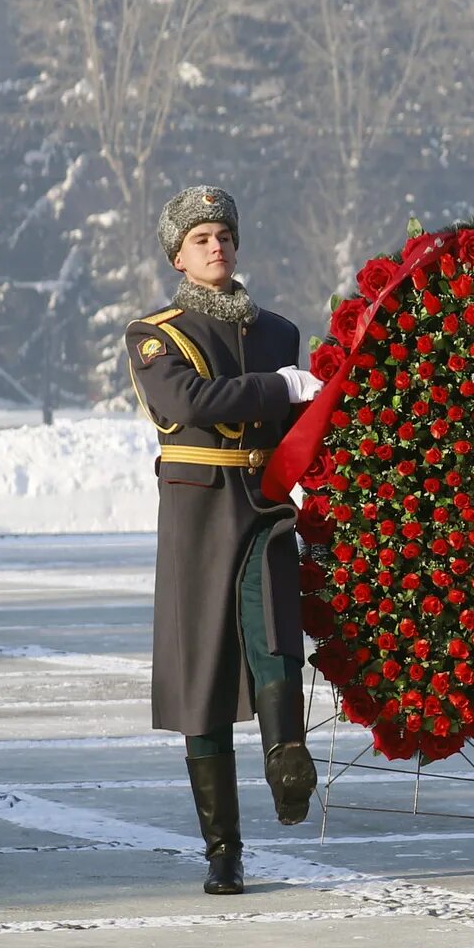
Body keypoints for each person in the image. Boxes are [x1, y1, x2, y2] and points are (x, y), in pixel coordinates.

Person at [125, 186, 322, 893]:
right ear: (178, 256)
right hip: (198, 514)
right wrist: (280, 387)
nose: (217, 246)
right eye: (202, 238)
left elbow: (299, 426)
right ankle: (223, 848)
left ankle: (286, 756)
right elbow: (188, 404)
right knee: (201, 679)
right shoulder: (156, 333)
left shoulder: (279, 331)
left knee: (273, 631)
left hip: (265, 503)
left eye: (225, 235)